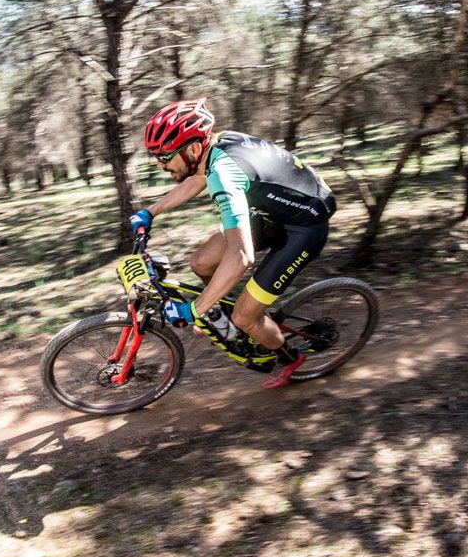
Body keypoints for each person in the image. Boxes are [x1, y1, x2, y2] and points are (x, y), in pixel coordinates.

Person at [129, 98, 337, 389]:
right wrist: (149, 212)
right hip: (278, 210)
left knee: (244, 315)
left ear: (191, 148)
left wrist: (194, 310)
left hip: (304, 229)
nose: (160, 164)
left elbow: (241, 257)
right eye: (156, 157)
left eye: (165, 156)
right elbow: (196, 180)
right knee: (200, 263)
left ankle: (289, 357)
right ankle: (225, 310)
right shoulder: (215, 146)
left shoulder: (226, 177)